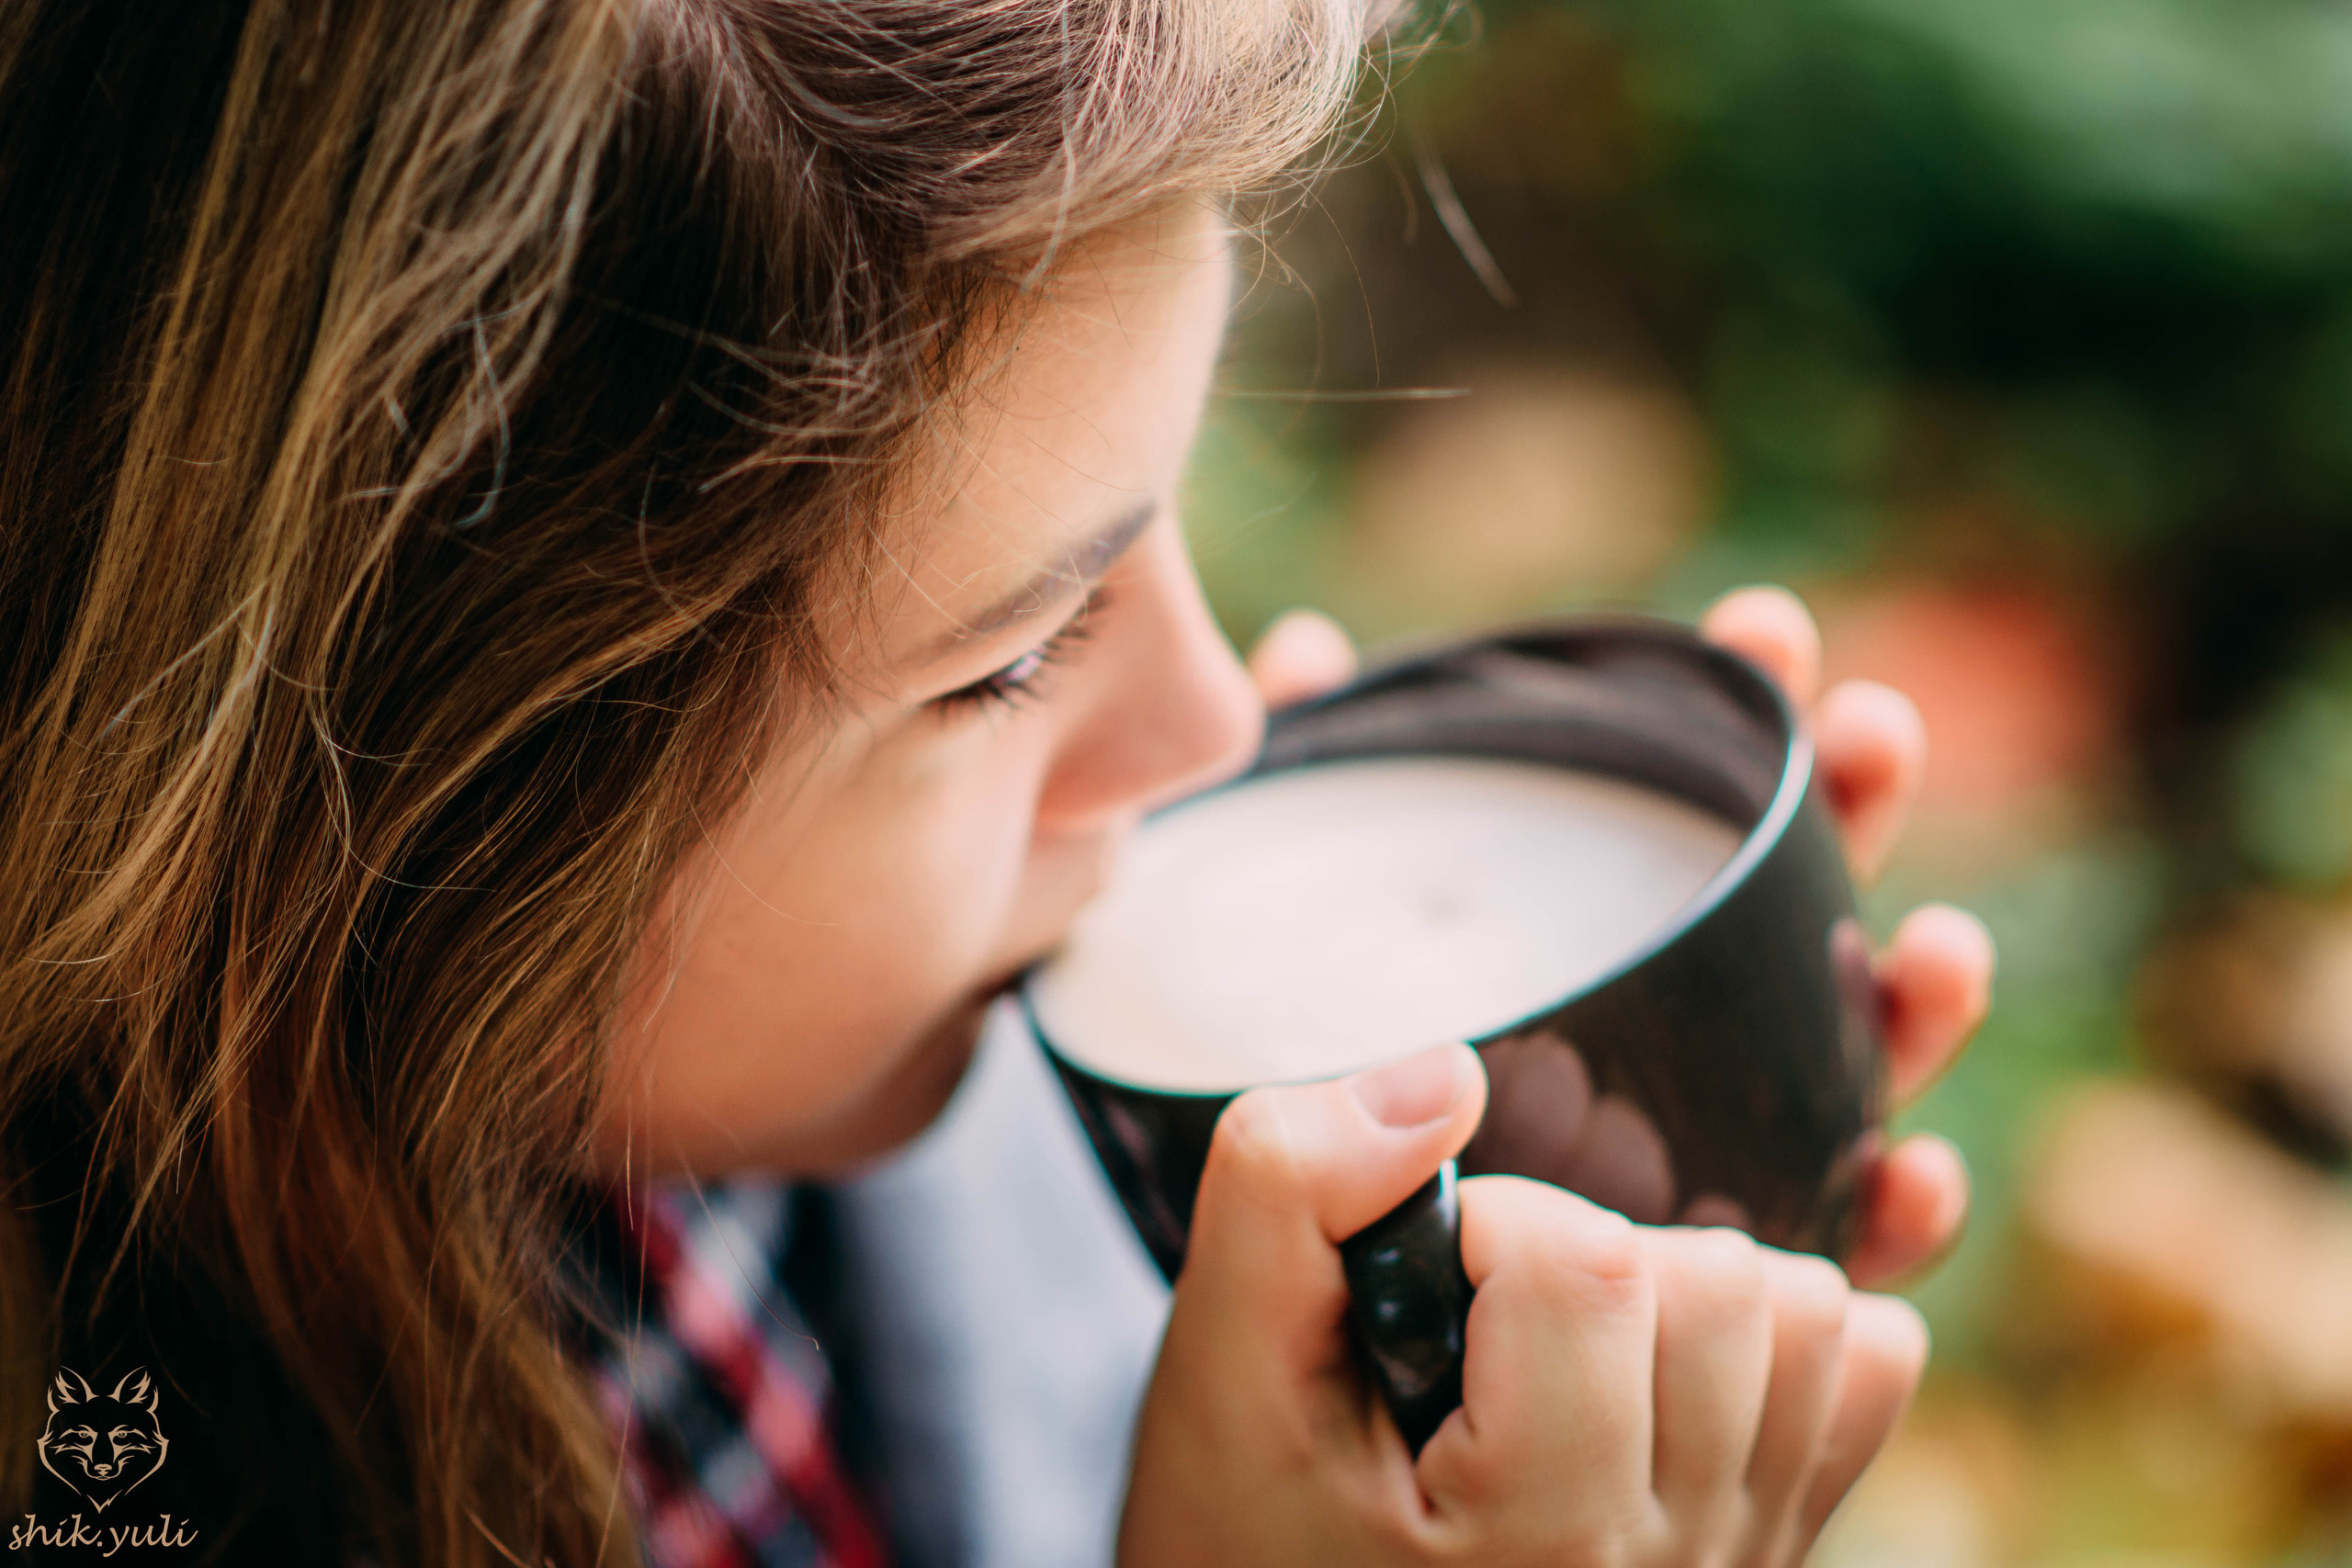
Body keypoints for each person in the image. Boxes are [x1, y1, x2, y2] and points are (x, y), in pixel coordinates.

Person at [0, 1, 1993, 1564]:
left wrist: (1438, 1355)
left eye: (1166, 515)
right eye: (1016, 652)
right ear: (381, 796)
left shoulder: (805, 1120)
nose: (1213, 721)